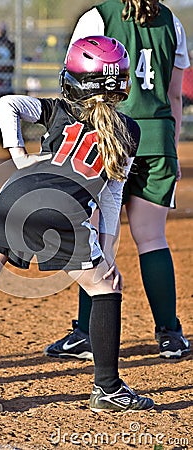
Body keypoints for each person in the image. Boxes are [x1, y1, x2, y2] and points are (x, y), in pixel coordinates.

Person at [0, 36, 154, 412]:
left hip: (13, 195)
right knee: (106, 288)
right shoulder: (129, 131)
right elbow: (109, 198)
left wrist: (19, 155)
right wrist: (104, 253)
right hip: (63, 209)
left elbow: (7, 104)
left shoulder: (57, 108)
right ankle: (107, 388)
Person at [44, 0, 191, 361]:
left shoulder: (98, 16)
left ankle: (85, 333)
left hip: (110, 135)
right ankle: (170, 335)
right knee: (153, 238)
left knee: (95, 236)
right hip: (156, 138)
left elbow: (79, 84)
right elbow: (175, 94)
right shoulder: (171, 21)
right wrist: (169, 146)